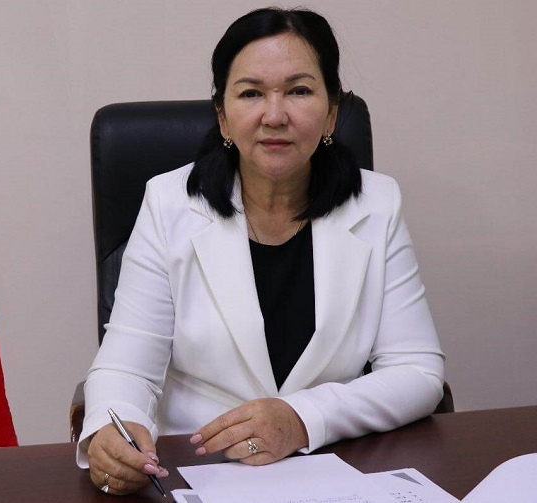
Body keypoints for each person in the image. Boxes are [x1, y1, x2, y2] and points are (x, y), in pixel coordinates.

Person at [77, 7, 445, 496]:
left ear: (332, 112)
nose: (274, 116)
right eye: (251, 93)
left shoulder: (377, 204)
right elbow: (127, 367)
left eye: (299, 91)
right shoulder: (168, 205)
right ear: (223, 117)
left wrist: (302, 418)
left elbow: (417, 372)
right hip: (201, 472)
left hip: (333, 471)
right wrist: (113, 427)